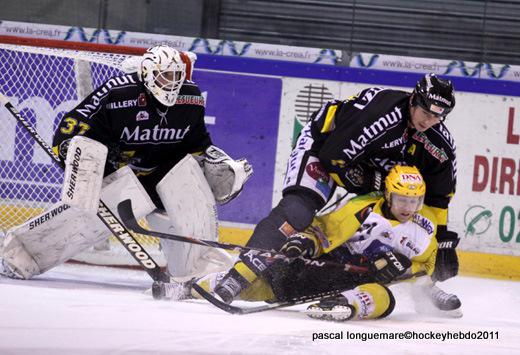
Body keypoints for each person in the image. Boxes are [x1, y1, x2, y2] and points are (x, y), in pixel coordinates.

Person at [0, 45, 251, 280]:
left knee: (191, 188)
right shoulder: (119, 93)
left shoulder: (191, 97)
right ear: (147, 74)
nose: (172, 83)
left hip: (163, 174)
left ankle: (197, 270)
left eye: (176, 75)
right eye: (165, 76)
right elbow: (73, 124)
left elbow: (198, 143)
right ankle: (18, 255)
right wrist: (71, 150)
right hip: (119, 172)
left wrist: (215, 164)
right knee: (91, 213)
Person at [212, 73, 459, 306]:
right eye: (425, 112)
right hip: (324, 147)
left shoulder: (440, 146)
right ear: (414, 99)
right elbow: (334, 158)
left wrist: (444, 242)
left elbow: (438, 200)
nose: (429, 121)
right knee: (299, 210)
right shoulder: (381, 115)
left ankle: (424, 287)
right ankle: (239, 275)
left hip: (366, 169)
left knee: (408, 216)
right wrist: (372, 182)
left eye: (438, 117)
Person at [157, 166, 461, 321]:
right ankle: (192, 287)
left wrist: (402, 271)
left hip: (354, 285)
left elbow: (424, 271)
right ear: (387, 194)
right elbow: (325, 230)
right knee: (265, 283)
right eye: (402, 199)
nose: (408, 207)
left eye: (414, 201)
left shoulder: (425, 230)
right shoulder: (363, 208)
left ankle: (342, 307)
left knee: (385, 299)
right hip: (323, 267)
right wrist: (303, 243)